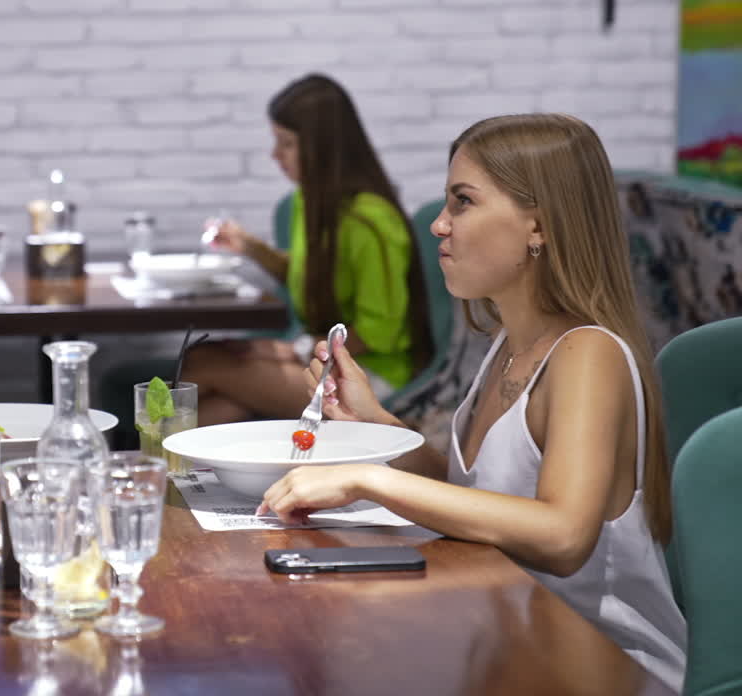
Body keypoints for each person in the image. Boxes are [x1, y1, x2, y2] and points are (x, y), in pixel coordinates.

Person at [260, 114, 686, 690]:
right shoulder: (507, 344)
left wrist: (369, 478)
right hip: (513, 630)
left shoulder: (588, 353)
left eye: (462, 202)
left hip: (607, 663)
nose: (439, 225)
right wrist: (376, 423)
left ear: (539, 225)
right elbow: (483, 496)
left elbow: (563, 536)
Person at [179, 73, 432, 426]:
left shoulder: (370, 221)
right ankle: (162, 460)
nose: (274, 155)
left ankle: (148, 455)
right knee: (217, 398)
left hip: (368, 377)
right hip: (323, 360)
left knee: (202, 365)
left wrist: (294, 349)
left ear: (321, 147)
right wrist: (250, 247)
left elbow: (381, 331)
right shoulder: (308, 199)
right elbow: (307, 276)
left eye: (286, 143)